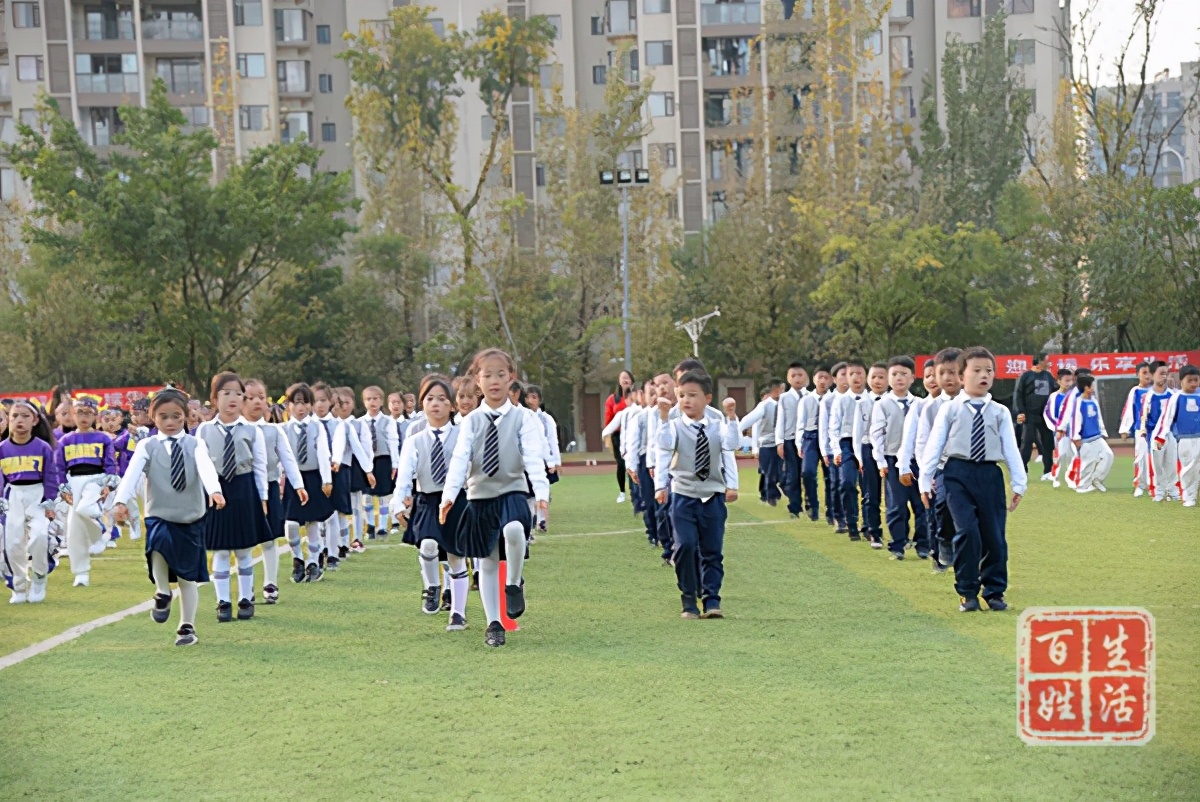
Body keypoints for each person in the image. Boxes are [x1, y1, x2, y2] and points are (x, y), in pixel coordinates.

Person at [440, 348, 549, 648]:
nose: (494, 380)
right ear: (478, 380)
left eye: (501, 374)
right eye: (487, 375)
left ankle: (513, 583)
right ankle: (494, 623)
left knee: (515, 530)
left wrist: (542, 494)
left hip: (513, 491)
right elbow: (460, 458)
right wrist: (449, 496)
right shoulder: (471, 421)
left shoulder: (523, 418)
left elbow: (533, 457)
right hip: (480, 496)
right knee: (486, 560)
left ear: (511, 377)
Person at [112, 388, 225, 646]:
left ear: (186, 416)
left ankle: (187, 627)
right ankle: (162, 591)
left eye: (176, 416)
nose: (171, 422)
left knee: (187, 577)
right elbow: (132, 474)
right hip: (159, 513)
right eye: (164, 417)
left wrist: (215, 491)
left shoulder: (195, 443)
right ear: (153, 417)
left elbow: (206, 468)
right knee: (158, 547)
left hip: (190, 517)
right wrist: (120, 501)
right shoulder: (147, 445)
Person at [919, 347, 1026, 613]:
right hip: (957, 474)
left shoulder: (1000, 412)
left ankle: (994, 592)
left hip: (989, 475)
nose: (983, 375)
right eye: (976, 370)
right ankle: (967, 592)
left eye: (988, 371)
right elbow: (935, 444)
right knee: (967, 531)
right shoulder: (950, 409)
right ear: (962, 374)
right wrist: (925, 479)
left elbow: (1011, 448)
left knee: (994, 537)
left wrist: (1019, 483)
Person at [654, 370, 739, 620]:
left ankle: (712, 600)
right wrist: (661, 486)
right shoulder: (675, 426)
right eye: (681, 396)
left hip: (712, 496)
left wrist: (732, 417)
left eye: (693, 395)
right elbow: (664, 446)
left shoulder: (717, 426)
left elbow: (730, 448)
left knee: (712, 550)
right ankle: (688, 599)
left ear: (708, 398)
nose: (686, 400)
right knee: (686, 546)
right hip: (683, 495)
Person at [393, 375, 471, 627]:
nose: (435, 404)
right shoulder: (415, 439)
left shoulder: (462, 435)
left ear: (452, 405)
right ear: (422, 404)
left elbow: (471, 468)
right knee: (427, 545)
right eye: (429, 398)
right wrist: (399, 505)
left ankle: (458, 613)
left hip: (457, 501)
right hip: (426, 499)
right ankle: (433, 587)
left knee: (456, 556)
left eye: (441, 399)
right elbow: (404, 474)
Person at [195, 372, 271, 623]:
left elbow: (260, 465)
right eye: (226, 393)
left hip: (244, 488)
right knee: (220, 550)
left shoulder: (252, 430)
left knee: (244, 550)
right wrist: (211, 490)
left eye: (239, 394)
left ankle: (246, 599)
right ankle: (223, 602)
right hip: (216, 490)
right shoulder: (204, 430)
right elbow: (201, 463)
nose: (233, 399)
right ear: (215, 398)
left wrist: (263, 497)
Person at [243, 379, 305, 604]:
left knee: (270, 539)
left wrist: (298, 485)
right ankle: (245, 588)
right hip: (244, 490)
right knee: (246, 542)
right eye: (250, 397)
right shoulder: (237, 430)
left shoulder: (274, 430)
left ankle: (271, 583)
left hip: (268, 486)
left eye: (261, 397)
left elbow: (287, 458)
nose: (257, 401)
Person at [55, 397, 119, 588]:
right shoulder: (65, 440)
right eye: (80, 412)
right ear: (73, 414)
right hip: (73, 480)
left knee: (84, 508)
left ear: (95, 416)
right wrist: (62, 487)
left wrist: (109, 483)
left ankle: (99, 532)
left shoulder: (103, 438)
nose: (84, 417)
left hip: (95, 480)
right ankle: (81, 573)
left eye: (88, 413)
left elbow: (109, 463)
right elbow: (59, 467)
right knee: (74, 528)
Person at [0, 400, 60, 604]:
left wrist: (50, 501)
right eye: (15, 416)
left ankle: (39, 578)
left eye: (25, 416)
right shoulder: (2, 448)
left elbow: (51, 476)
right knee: (13, 543)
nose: (19, 420)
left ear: (34, 420)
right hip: (13, 496)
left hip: (37, 495)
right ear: (8, 420)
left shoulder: (42, 447)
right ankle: (18, 587)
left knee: (40, 536)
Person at [872, 356, 928, 559]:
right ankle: (897, 544)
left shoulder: (921, 404)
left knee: (921, 503)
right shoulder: (883, 404)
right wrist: (880, 461)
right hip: (892, 459)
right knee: (896, 505)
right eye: (894, 374)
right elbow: (876, 434)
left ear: (913, 377)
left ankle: (923, 544)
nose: (899, 378)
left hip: (918, 460)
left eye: (904, 374)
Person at [282, 383, 333, 584]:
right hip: (292, 481)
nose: (300, 407)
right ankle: (297, 558)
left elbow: (322, 453)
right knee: (291, 523)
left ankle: (313, 561)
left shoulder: (316, 427)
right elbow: (281, 457)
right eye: (296, 403)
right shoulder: (284, 429)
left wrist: (327, 480)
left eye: (305, 403)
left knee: (313, 522)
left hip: (312, 477)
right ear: (289, 405)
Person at [1153, 365, 1200, 507]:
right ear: (1181, 381)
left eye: (1196, 380)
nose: (1193, 384)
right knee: (1188, 468)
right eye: (1189, 380)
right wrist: (1160, 437)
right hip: (1185, 440)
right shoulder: (1176, 398)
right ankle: (1189, 496)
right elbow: (1166, 419)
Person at [829, 360, 866, 540]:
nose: (856, 377)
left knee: (869, 487)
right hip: (847, 444)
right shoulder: (841, 401)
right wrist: (836, 450)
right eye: (852, 374)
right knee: (847, 483)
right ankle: (851, 523)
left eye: (859, 373)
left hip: (868, 443)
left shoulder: (873, 399)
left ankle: (868, 526)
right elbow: (833, 428)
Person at [854, 362, 888, 547]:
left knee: (895, 496)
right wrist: (859, 457)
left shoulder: (892, 402)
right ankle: (873, 531)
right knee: (871, 493)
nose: (877, 381)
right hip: (867, 450)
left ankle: (902, 534)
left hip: (889, 451)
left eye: (881, 377)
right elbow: (858, 434)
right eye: (873, 377)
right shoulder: (863, 403)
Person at [359, 386, 397, 540]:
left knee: (383, 496)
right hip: (367, 462)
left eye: (375, 399)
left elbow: (393, 442)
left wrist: (395, 464)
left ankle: (382, 526)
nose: (372, 402)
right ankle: (369, 525)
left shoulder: (388, 421)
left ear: (381, 401)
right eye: (368, 399)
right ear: (364, 402)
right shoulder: (360, 422)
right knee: (366, 496)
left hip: (383, 460)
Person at [1141, 360, 1180, 503]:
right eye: (1161, 373)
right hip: (1154, 436)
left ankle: (1173, 491)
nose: (1164, 377)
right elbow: (1144, 417)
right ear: (1152, 375)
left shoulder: (1173, 395)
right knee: (1157, 465)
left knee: (1171, 463)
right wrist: (1145, 434)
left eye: (1166, 373)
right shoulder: (1148, 397)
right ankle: (1159, 491)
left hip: (1170, 434)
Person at [740, 379, 784, 507]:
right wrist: (755, 448)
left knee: (780, 473)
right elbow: (753, 425)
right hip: (766, 445)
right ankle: (770, 497)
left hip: (781, 445)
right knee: (768, 473)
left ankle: (774, 494)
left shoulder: (784, 404)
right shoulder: (764, 406)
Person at [795, 368, 830, 522]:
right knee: (807, 472)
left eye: (826, 377)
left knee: (831, 476)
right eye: (820, 377)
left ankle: (832, 509)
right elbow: (800, 423)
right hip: (810, 437)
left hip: (829, 437)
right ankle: (812, 504)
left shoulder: (834, 399)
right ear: (814, 379)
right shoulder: (806, 400)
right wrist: (799, 443)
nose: (822, 381)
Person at [525, 385, 561, 532]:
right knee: (530, 494)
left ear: (539, 400)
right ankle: (533, 520)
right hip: (529, 459)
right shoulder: (523, 416)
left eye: (534, 397)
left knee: (543, 490)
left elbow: (552, 441)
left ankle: (541, 519)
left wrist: (554, 461)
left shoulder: (546, 419)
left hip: (544, 460)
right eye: (528, 397)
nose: (530, 400)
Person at [1013, 354, 1057, 476]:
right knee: (1027, 442)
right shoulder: (1025, 376)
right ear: (1039, 361)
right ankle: (1022, 470)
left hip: (1045, 416)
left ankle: (1048, 470)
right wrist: (1020, 412)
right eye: (1046, 361)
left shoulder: (1048, 376)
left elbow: (1055, 391)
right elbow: (1018, 394)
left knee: (1048, 442)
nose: (1048, 363)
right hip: (1029, 415)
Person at [774, 363, 808, 517]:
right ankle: (795, 506)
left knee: (807, 473)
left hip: (808, 440)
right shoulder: (784, 398)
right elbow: (780, 420)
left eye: (800, 375)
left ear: (806, 376)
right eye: (793, 376)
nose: (797, 378)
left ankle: (810, 503)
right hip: (790, 440)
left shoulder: (811, 396)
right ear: (788, 379)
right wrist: (779, 441)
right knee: (793, 474)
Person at [1070, 374, 1113, 494]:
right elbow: (1075, 421)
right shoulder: (1078, 403)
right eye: (1092, 385)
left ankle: (1096, 479)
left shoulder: (1094, 401)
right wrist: (1076, 437)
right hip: (1085, 439)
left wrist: (1103, 431)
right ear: (1086, 387)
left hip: (1097, 436)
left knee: (1108, 455)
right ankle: (1082, 486)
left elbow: (1098, 418)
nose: (1093, 387)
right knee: (1087, 464)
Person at [1118, 362, 1154, 497]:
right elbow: (1128, 410)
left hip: (1156, 431)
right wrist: (1125, 429)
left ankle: (1154, 486)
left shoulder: (1157, 390)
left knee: (1156, 459)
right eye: (1144, 373)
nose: (1147, 376)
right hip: (1142, 430)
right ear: (1137, 374)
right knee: (1141, 458)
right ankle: (1140, 485)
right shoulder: (1135, 391)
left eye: (1150, 372)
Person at [820, 362, 848, 530]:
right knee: (836, 483)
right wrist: (825, 451)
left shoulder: (858, 398)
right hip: (833, 449)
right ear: (835, 379)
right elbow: (824, 427)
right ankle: (838, 517)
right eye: (842, 375)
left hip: (852, 449)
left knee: (849, 485)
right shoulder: (828, 400)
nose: (846, 378)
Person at [603, 369, 635, 503]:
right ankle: (622, 492)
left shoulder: (637, 396)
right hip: (618, 435)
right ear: (619, 381)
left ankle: (635, 491)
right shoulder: (612, 399)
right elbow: (608, 418)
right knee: (621, 463)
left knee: (634, 463)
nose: (625, 380)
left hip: (634, 434)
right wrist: (607, 435)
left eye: (627, 378)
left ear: (632, 381)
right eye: (623, 378)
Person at [1044, 369, 1076, 489]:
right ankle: (1055, 477)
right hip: (1060, 433)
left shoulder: (1074, 396)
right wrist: (1058, 429)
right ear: (1059, 381)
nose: (1069, 383)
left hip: (1074, 432)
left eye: (1071, 380)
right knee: (1060, 455)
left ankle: (1071, 479)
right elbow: (1048, 414)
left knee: (1073, 456)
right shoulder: (1054, 396)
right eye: (1066, 380)